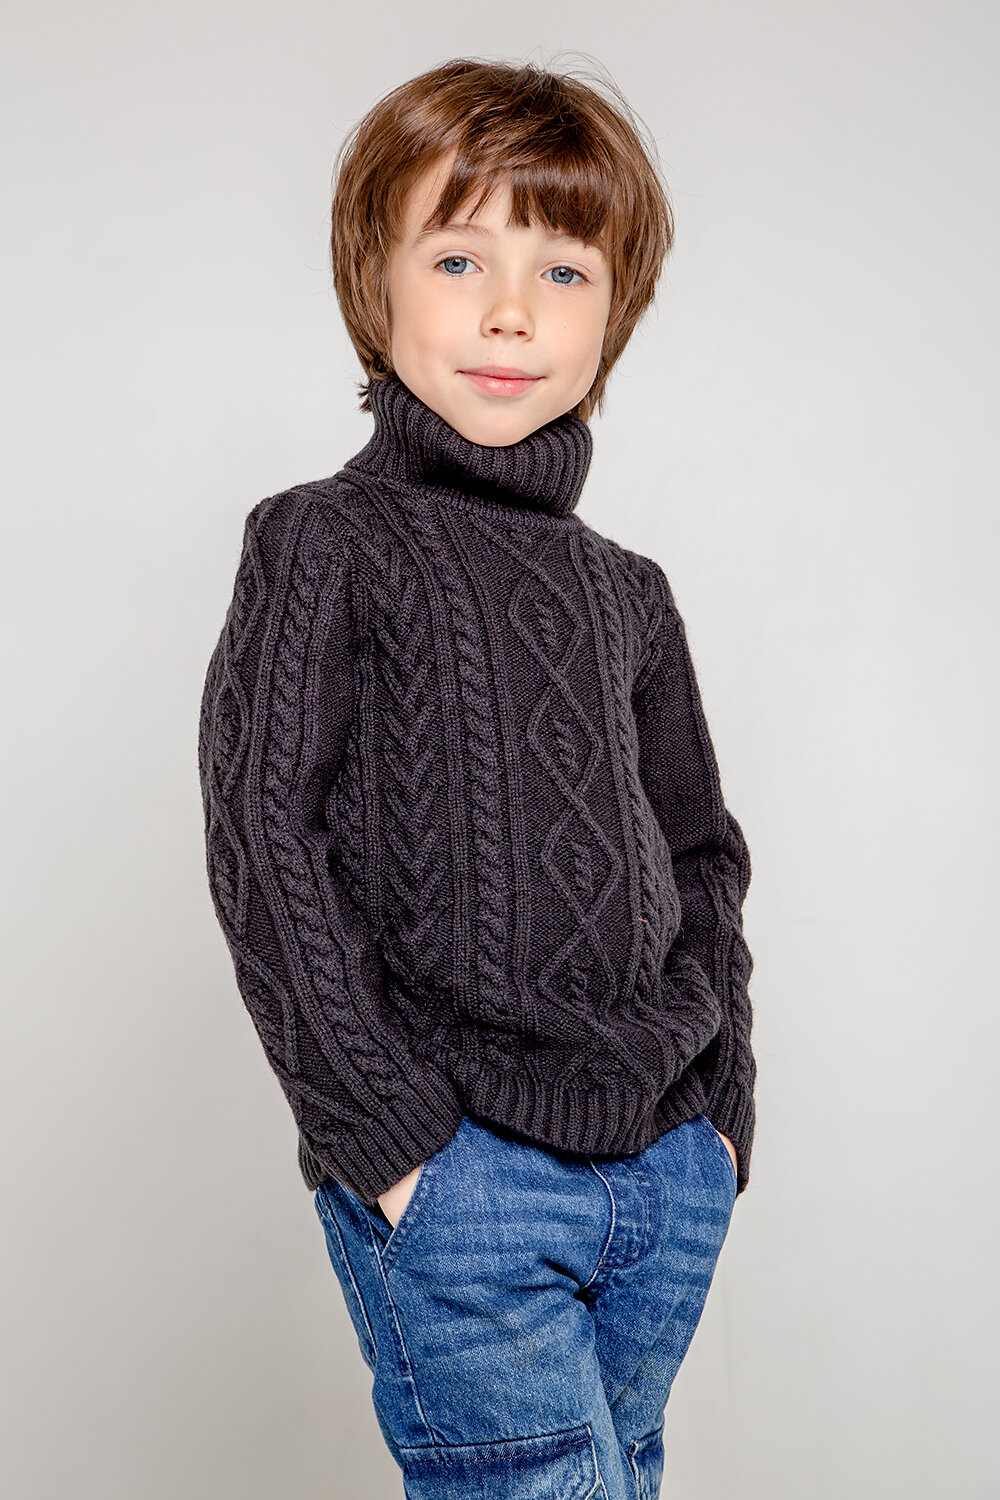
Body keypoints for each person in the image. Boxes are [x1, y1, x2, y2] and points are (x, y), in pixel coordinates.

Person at [198, 54, 757, 1500]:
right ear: (373, 286)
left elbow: (700, 855)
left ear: (614, 312)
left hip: (660, 1166)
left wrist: (721, 1120)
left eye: (565, 271)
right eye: (459, 259)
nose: (513, 311)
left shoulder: (629, 590)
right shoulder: (322, 541)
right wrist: (391, 1142)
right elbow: (265, 837)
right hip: (460, 1171)